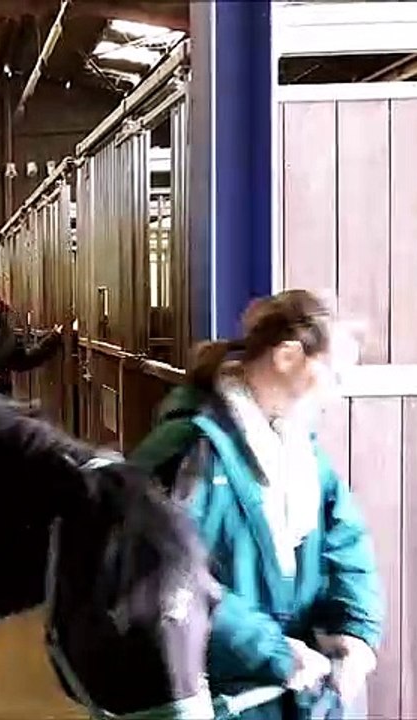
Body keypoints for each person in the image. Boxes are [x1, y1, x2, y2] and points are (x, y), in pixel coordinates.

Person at [129, 289, 381, 720]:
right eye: (333, 375)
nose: (336, 394)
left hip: (296, 686)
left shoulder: (298, 443)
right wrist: (274, 652)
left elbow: (346, 537)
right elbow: (165, 577)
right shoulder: (190, 448)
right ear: (287, 357)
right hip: (228, 692)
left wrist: (355, 629)